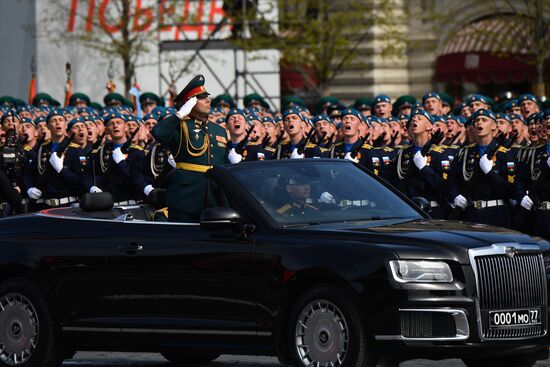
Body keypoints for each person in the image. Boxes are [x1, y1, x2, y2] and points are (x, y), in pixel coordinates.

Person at [152, 75, 228, 222]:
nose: (207, 100)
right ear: (190, 103)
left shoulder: (218, 130)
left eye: (207, 96)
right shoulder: (179, 126)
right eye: (201, 97)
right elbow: (158, 133)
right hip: (186, 199)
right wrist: (179, 115)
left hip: (214, 198)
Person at [447, 109, 515, 227]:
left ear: (494, 126)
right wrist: (455, 196)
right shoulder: (465, 152)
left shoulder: (504, 153)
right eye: (477, 120)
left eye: (484, 120)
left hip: (495, 212)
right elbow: (452, 178)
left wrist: (490, 173)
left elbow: (510, 189)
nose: (479, 123)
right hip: (470, 212)